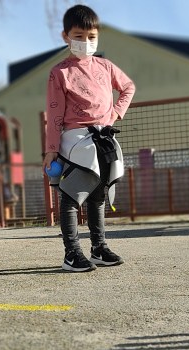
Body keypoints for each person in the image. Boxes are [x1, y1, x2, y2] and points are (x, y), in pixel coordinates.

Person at [42, 4, 136, 272]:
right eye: (79, 36)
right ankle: (72, 253)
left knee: (98, 195)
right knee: (71, 196)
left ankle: (98, 248)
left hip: (103, 139)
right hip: (76, 141)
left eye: (91, 36)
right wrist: (51, 148)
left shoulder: (106, 66)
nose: (86, 41)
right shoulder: (59, 72)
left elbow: (128, 87)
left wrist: (116, 113)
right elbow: (54, 114)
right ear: (66, 36)